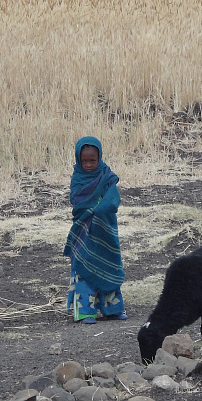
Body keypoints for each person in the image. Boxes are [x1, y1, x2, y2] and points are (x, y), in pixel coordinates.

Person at [63, 136, 127, 324]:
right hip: (84, 231)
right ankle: (85, 311)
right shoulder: (77, 179)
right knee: (84, 268)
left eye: (93, 160)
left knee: (108, 265)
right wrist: (91, 211)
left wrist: (100, 210)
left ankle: (113, 309)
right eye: (85, 161)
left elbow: (113, 198)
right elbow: (77, 202)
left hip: (105, 229)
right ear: (78, 160)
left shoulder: (107, 175)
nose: (89, 164)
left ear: (99, 158)